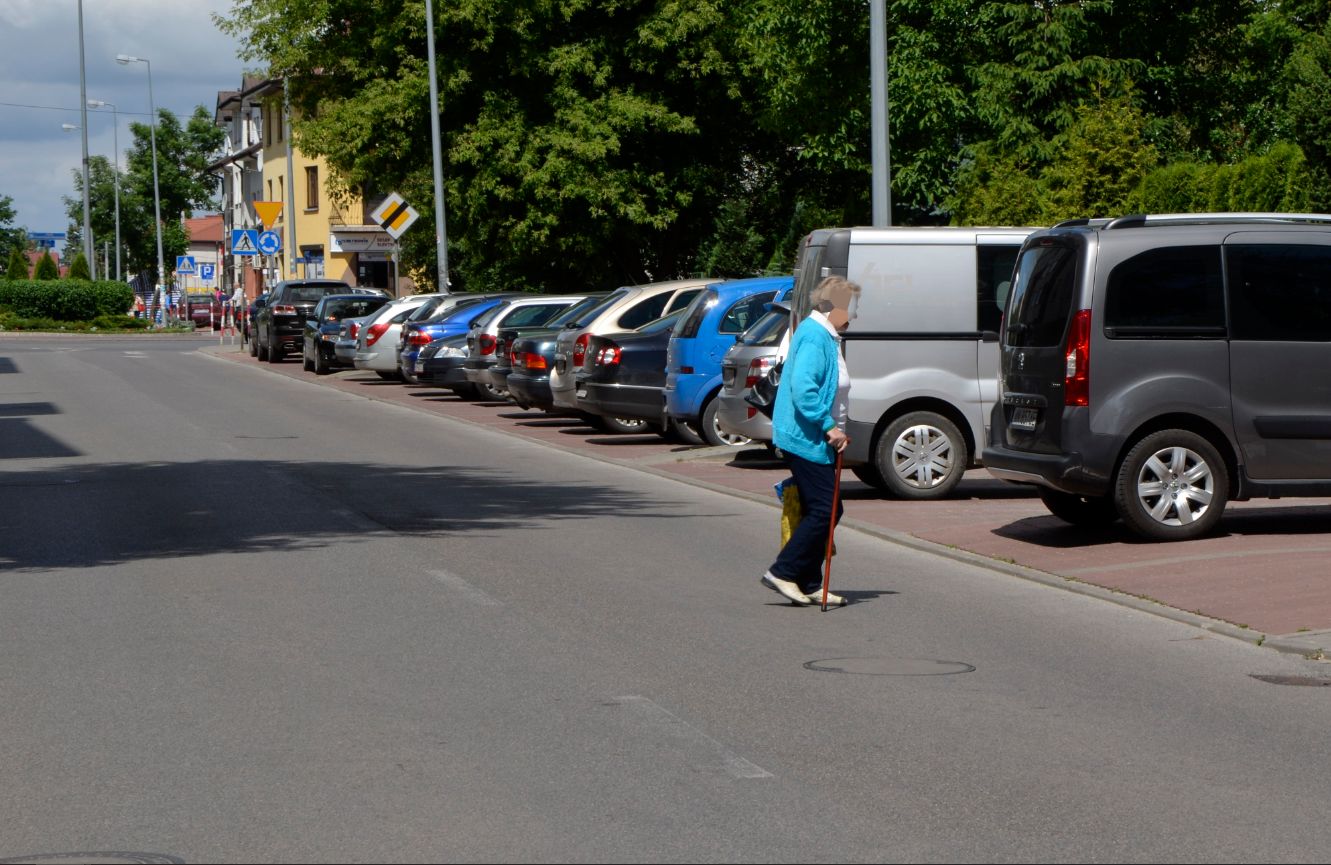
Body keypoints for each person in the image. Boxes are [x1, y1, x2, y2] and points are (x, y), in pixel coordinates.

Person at [761, 275, 861, 606]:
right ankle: (784, 571)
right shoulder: (816, 336)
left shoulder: (822, 334)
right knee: (827, 508)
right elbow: (804, 388)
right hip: (807, 438)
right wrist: (829, 426)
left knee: (818, 508)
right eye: (850, 308)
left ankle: (808, 581)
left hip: (812, 437)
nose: (854, 316)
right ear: (832, 307)